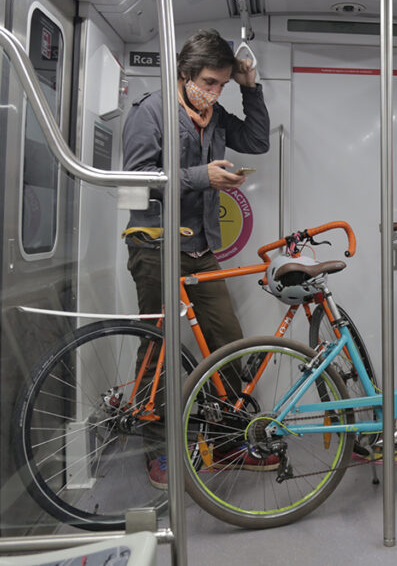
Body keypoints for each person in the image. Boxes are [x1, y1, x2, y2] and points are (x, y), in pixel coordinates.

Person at [122, 28, 272, 488]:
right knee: (158, 348)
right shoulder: (151, 112)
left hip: (201, 250)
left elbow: (258, 140)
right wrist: (199, 176)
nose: (213, 91)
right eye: (208, 82)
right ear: (185, 75)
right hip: (154, 246)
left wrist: (250, 87)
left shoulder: (216, 116)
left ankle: (228, 440)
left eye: (222, 85)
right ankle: (159, 449)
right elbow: (135, 177)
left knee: (228, 342)